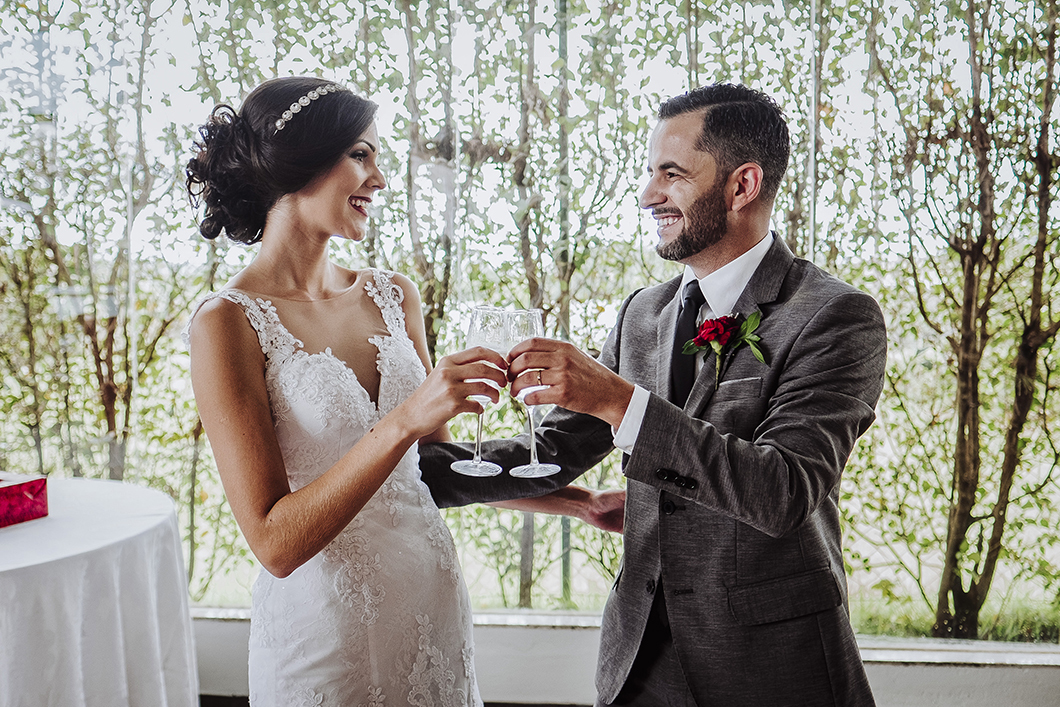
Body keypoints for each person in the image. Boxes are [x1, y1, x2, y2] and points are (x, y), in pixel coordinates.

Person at [419, 83, 886, 706]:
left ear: (742, 186)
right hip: (638, 664)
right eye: (649, 173)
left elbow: (784, 491)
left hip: (771, 667)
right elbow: (556, 451)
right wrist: (398, 468)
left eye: (671, 174)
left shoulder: (834, 316)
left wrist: (619, 402)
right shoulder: (642, 313)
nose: (647, 195)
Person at [182, 76, 623, 707]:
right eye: (360, 155)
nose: (380, 179)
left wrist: (576, 502)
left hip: (431, 615)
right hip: (325, 637)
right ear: (296, 163)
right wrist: (405, 420)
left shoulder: (393, 296)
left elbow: (436, 472)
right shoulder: (226, 323)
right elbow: (275, 544)